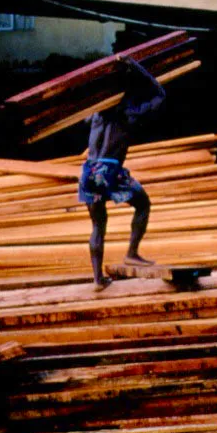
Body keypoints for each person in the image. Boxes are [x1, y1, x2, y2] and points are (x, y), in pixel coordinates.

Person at [78, 57, 166, 290]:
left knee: (98, 225)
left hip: (89, 170)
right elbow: (160, 95)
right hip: (109, 170)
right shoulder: (129, 112)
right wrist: (137, 68)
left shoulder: (94, 114)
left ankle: (97, 279)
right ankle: (132, 253)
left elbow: (82, 115)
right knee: (143, 205)